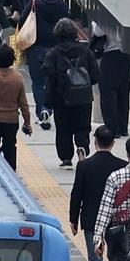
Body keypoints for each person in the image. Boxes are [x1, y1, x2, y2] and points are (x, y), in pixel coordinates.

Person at [71, 126, 128, 261]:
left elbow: (77, 194)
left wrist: (73, 218)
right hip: (116, 219)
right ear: (113, 143)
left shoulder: (84, 166)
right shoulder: (122, 165)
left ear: (95, 142)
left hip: (91, 218)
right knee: (115, 257)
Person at [42, 17, 99, 169]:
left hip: (61, 97)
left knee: (63, 127)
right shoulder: (85, 51)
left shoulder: (53, 53)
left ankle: (66, 157)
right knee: (83, 126)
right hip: (83, 96)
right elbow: (95, 74)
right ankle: (82, 148)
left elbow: (47, 71)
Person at [24, 0, 71, 131]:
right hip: (56, 49)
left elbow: (22, 20)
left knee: (37, 83)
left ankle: (41, 112)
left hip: (35, 48)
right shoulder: (62, 6)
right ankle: (48, 108)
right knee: (52, 82)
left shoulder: (34, 3)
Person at [92, 21, 130, 138]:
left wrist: (95, 22)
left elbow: (98, 31)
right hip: (129, 52)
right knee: (123, 90)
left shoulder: (110, 13)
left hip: (112, 52)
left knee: (108, 90)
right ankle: (122, 126)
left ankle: (112, 128)